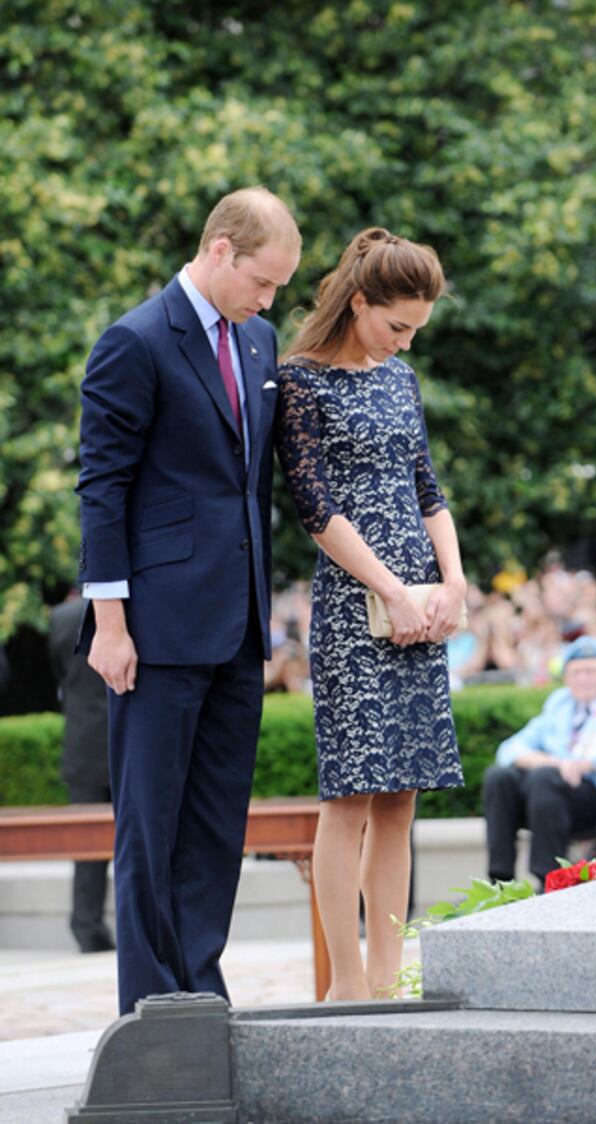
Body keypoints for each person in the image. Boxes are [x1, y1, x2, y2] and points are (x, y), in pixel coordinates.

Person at [77, 187, 301, 1014]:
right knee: (150, 827)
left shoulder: (260, 340)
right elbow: (102, 488)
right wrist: (110, 625)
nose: (268, 300)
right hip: (155, 630)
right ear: (219, 251)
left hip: (238, 627)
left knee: (214, 827)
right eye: (262, 281)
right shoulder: (134, 341)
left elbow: (250, 489)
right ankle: (150, 1011)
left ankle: (201, 995)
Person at [276, 227, 465, 1001]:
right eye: (397, 324)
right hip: (356, 607)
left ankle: (388, 979)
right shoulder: (299, 381)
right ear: (358, 302)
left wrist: (454, 582)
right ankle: (347, 983)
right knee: (349, 797)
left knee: (400, 800)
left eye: (416, 328)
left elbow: (428, 491)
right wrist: (390, 589)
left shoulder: (402, 379)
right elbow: (314, 508)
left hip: (419, 604)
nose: (405, 340)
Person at [482, 635, 596, 888]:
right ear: (566, 677)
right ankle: (500, 880)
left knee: (544, 778)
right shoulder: (560, 703)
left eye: (591, 671)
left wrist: (582, 765)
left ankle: (547, 879)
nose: (584, 679)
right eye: (576, 672)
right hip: (549, 793)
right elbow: (509, 749)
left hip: (595, 794)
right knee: (499, 777)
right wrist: (556, 763)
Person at [48, 593, 115, 953]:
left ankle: (87, 926)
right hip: (124, 736)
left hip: (83, 741)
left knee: (87, 847)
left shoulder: (60, 618)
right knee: (142, 841)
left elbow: (57, 673)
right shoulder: (130, 608)